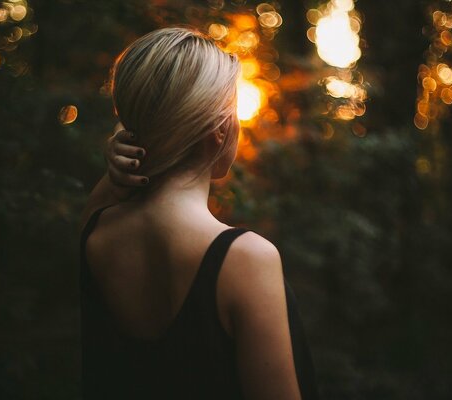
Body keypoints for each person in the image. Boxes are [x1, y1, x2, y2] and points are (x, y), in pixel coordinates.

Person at [80, 26, 319, 399]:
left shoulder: (97, 234)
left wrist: (119, 170)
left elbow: (97, 207)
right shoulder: (245, 259)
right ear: (220, 132)